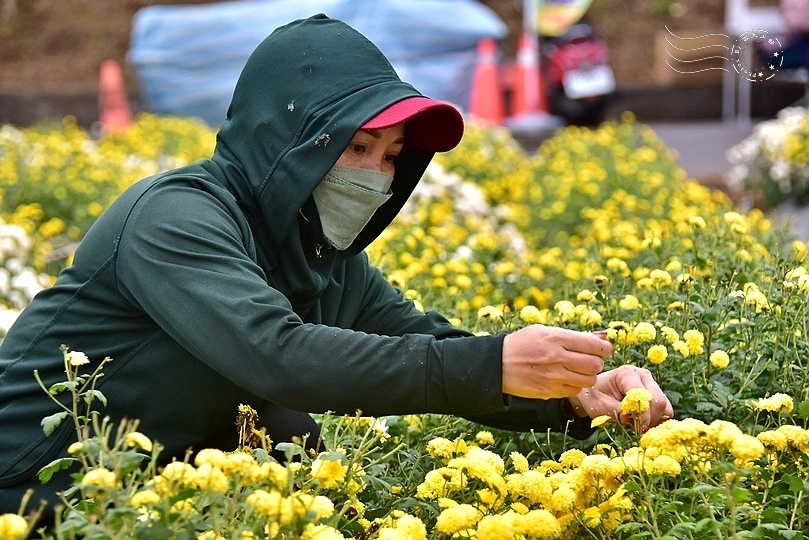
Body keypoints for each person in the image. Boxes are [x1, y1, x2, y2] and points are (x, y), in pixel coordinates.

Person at [0, 14, 673, 516]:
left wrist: (567, 394)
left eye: (390, 156)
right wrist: (493, 362)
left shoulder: (316, 249)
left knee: (289, 438)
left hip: (138, 501)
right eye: (354, 146)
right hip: (31, 491)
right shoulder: (177, 217)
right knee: (284, 414)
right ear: (285, 138)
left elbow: (432, 345)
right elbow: (279, 355)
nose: (375, 174)